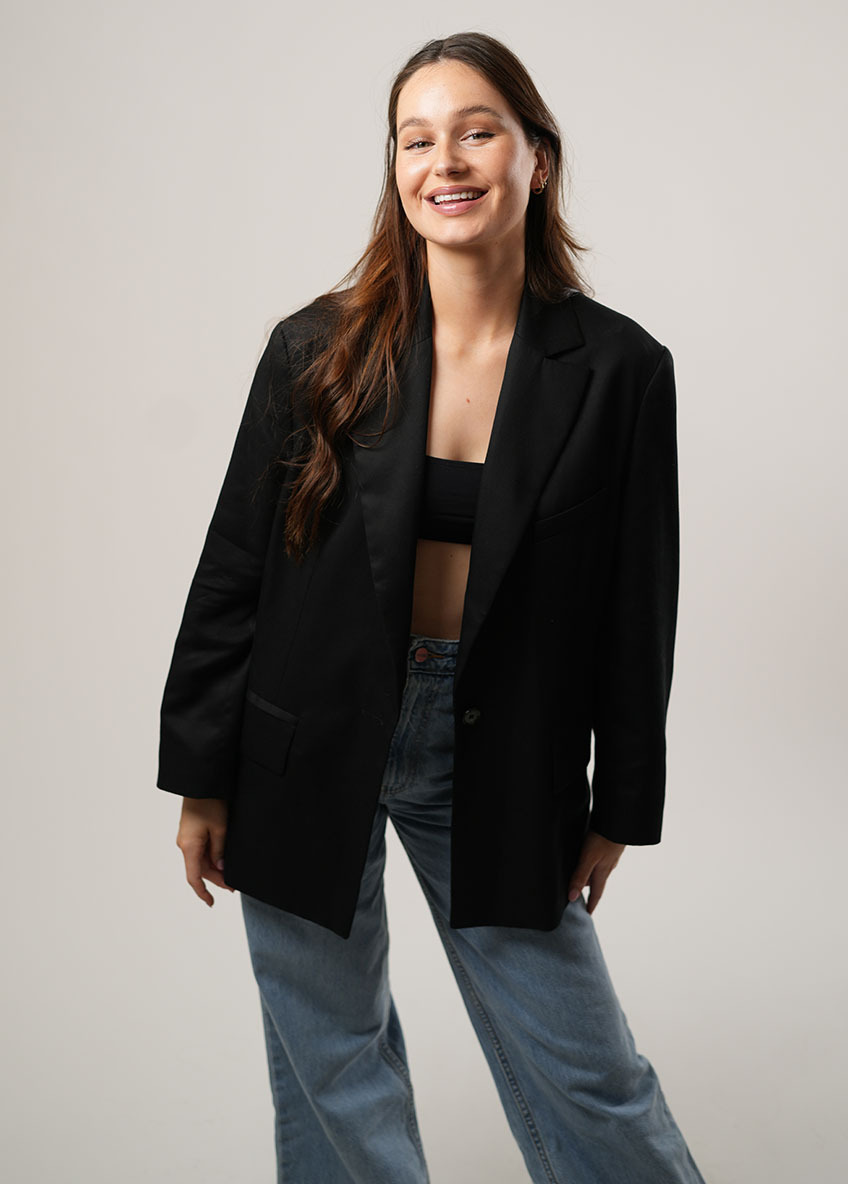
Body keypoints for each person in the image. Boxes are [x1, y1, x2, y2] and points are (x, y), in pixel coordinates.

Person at [157, 30, 706, 1184]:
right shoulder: (315, 348)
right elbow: (234, 565)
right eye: (415, 139)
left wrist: (620, 801)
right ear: (395, 168)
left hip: (500, 745)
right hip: (302, 735)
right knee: (332, 1066)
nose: (443, 161)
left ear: (535, 158)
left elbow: (635, 606)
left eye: (474, 131)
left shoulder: (617, 371)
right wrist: (201, 773)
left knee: (591, 1076)